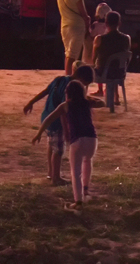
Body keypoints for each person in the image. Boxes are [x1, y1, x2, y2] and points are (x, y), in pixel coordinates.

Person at [36, 65, 99, 205]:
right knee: (87, 162)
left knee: (75, 173)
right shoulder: (86, 103)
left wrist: (39, 133)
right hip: (92, 140)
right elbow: (102, 103)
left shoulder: (66, 105)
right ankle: (86, 188)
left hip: (77, 141)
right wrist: (87, 98)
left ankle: (78, 201)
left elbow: (48, 119)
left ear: (67, 93)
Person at [23, 66, 87, 185]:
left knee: (51, 145)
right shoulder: (70, 89)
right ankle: (56, 178)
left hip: (46, 116)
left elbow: (45, 91)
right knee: (58, 150)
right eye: (85, 84)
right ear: (80, 78)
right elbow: (63, 111)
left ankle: (51, 172)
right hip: (56, 121)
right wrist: (66, 129)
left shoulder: (59, 79)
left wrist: (30, 102)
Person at [92, 12, 132, 113]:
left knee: (104, 67)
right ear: (119, 23)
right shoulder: (127, 39)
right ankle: (116, 96)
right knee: (114, 66)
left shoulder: (100, 39)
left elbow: (93, 59)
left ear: (106, 23)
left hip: (102, 74)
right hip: (119, 73)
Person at [57, 0, 88, 76]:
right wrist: (88, 27)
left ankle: (67, 76)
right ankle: (69, 80)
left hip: (64, 27)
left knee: (68, 54)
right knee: (73, 56)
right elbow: (84, 14)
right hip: (77, 27)